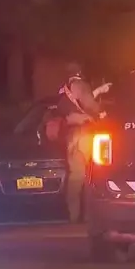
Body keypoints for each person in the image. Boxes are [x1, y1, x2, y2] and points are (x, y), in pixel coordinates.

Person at [56, 61, 103, 223]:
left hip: (71, 136)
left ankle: (73, 215)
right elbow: (91, 106)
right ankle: (89, 215)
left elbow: (66, 109)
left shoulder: (64, 89)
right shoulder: (81, 85)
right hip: (85, 134)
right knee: (91, 175)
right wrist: (101, 112)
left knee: (75, 176)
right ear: (80, 72)